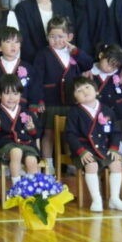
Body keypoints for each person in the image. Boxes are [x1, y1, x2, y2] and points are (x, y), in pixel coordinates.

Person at [27, 16, 93, 175]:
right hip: (50, 101)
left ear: (69, 36)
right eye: (52, 36)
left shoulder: (74, 52)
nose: (56, 40)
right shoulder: (43, 54)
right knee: (48, 133)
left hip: (71, 102)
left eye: (60, 36)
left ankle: (71, 162)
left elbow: (88, 64)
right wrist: (39, 100)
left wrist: (76, 52)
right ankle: (48, 164)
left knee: (69, 134)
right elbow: (37, 80)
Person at [65, 77, 122, 212]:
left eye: (87, 87)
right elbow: (70, 135)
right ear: (75, 99)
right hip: (84, 150)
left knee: (116, 163)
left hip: (104, 148)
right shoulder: (74, 112)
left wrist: (114, 148)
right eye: (79, 90)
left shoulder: (107, 111)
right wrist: (81, 151)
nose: (84, 91)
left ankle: (114, 199)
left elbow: (116, 132)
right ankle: (96, 200)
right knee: (91, 165)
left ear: (96, 91)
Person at [13, 0, 76, 64]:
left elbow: (72, 35)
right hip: (35, 62)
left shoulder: (65, 5)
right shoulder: (22, 8)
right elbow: (25, 42)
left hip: (64, 61)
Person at [0, 74, 41, 184]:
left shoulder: (27, 113)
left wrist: (32, 129)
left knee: (32, 160)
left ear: (20, 94)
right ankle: (17, 186)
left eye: (15, 94)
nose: (11, 98)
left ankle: (32, 188)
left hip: (27, 145)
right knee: (16, 151)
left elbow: (37, 134)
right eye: (7, 93)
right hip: (6, 147)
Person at [0, 26, 31, 103]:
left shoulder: (27, 66)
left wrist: (33, 106)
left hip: (21, 106)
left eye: (16, 42)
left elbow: (33, 88)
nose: (13, 45)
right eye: (8, 42)